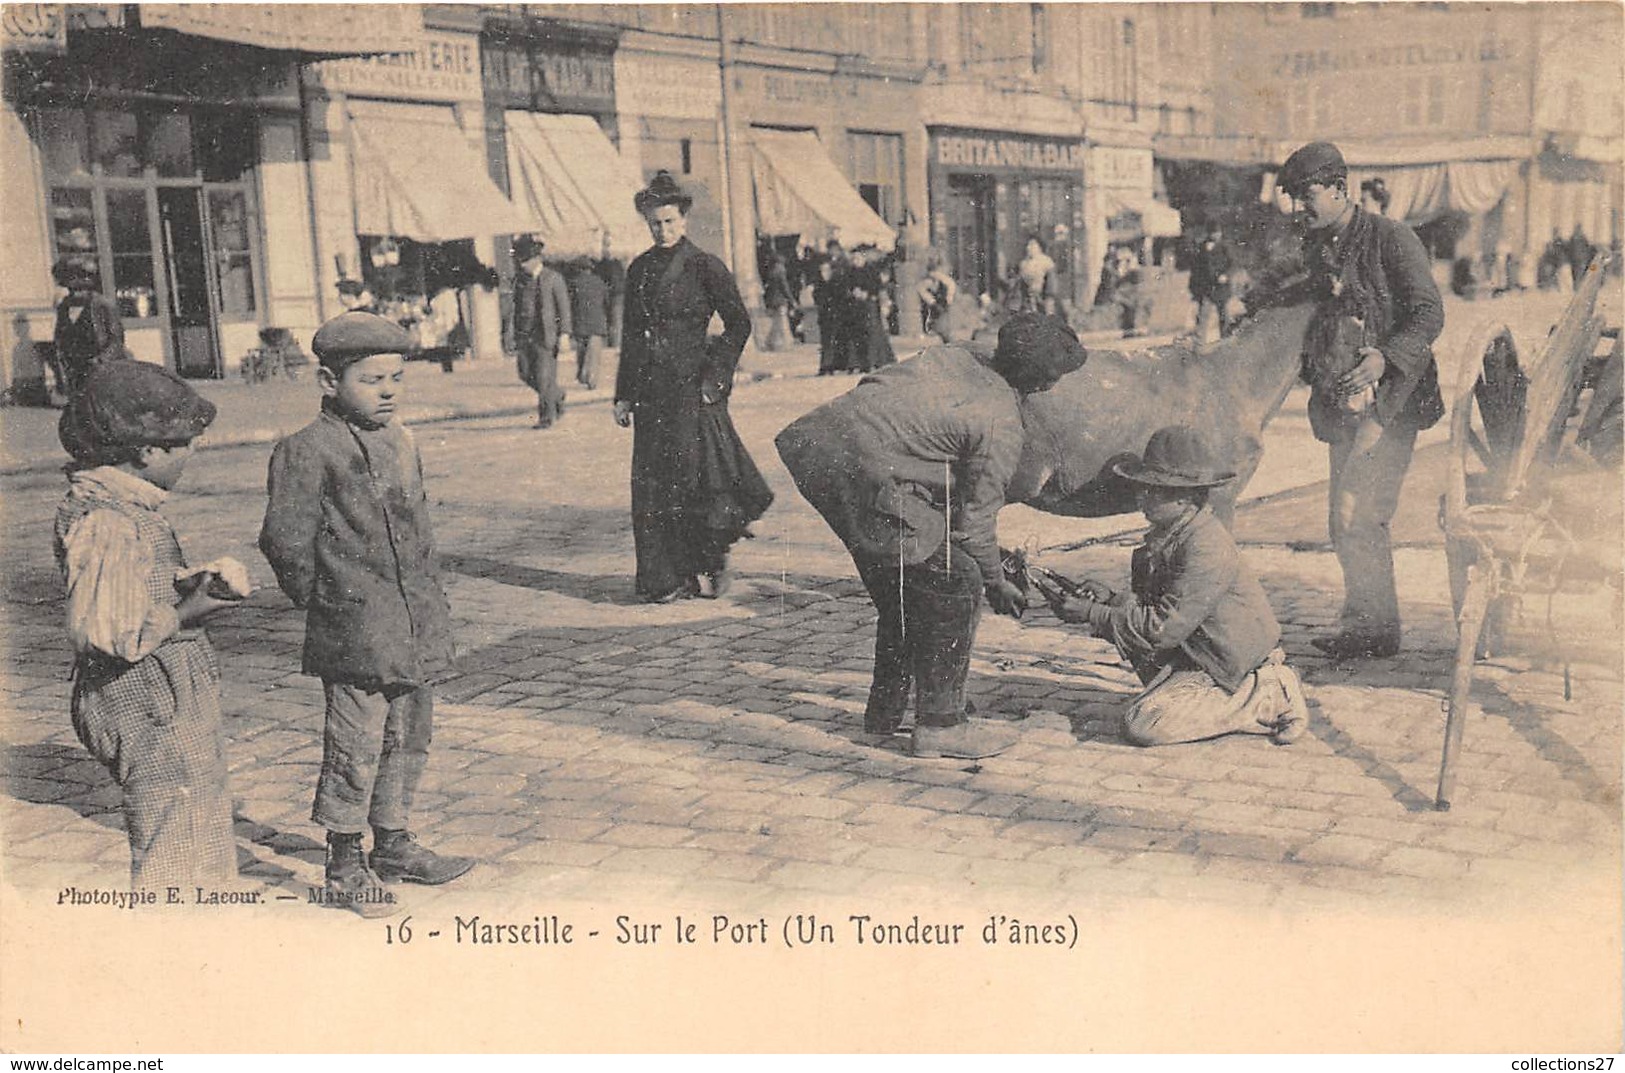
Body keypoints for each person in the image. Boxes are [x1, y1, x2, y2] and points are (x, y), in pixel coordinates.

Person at [776, 313, 1087, 760]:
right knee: (956, 581)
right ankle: (941, 725)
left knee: (904, 585)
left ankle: (888, 711)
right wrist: (996, 581)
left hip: (817, 443)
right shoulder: (999, 422)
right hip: (865, 473)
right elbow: (975, 524)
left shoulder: (956, 354)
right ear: (1041, 383)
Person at [259, 312, 472, 918]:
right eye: (372, 379)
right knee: (354, 742)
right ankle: (344, 860)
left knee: (409, 734)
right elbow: (284, 541)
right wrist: (326, 603)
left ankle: (395, 841)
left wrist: (429, 605)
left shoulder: (403, 441)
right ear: (329, 381)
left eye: (396, 379)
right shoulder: (305, 450)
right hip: (354, 628)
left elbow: (420, 530)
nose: (388, 392)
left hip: (412, 623)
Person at [53, 360, 245, 888]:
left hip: (164, 697)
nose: (191, 453)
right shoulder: (108, 519)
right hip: (143, 702)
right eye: (183, 443)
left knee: (196, 820)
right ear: (146, 451)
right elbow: (111, 631)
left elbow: (130, 585)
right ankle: (171, 949)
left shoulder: (124, 506)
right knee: (173, 843)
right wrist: (190, 610)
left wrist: (186, 580)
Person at [1278, 140, 1444, 660]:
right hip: (1343, 401)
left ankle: (1374, 629)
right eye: (1293, 198)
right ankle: (1369, 624)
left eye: (1307, 195)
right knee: (1343, 519)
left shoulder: (1391, 237)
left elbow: (1429, 313)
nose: (1298, 208)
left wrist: (1385, 358)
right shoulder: (1316, 246)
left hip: (1392, 399)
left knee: (1359, 514)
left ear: (1339, 189)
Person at [1041, 425, 1309, 746]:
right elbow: (1159, 609)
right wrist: (1109, 599)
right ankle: (1229, 696)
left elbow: (1162, 629)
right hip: (1200, 655)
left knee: (1144, 724)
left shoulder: (1206, 546)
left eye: (1154, 490)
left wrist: (1093, 614)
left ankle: (1265, 695)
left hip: (1228, 665)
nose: (1141, 496)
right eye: (1143, 487)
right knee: (1146, 687)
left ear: (1186, 499)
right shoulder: (1173, 535)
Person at [614, 171, 772, 604]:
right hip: (650, 393)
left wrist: (715, 379)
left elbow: (739, 324)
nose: (661, 230)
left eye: (668, 222)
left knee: (694, 482)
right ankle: (667, 578)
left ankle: (713, 559)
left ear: (683, 220)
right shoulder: (639, 269)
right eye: (654, 223)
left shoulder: (705, 265)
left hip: (690, 391)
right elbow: (630, 336)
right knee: (652, 485)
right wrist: (623, 394)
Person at [511, 235, 572, 429]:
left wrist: (564, 334)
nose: (522, 265)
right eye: (520, 261)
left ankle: (546, 417)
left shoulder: (553, 278)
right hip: (525, 336)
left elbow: (564, 308)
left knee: (544, 377)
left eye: (525, 260)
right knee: (525, 373)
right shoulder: (520, 281)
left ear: (537, 259)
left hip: (547, 336)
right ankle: (557, 395)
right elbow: (516, 308)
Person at [52, 260, 126, 398]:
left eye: (81, 288)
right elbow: (60, 336)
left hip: (103, 368)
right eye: (72, 288)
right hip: (75, 369)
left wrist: (101, 360)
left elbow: (116, 340)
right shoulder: (64, 306)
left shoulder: (104, 305)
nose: (76, 293)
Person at [566, 257, 610, 391]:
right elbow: (606, 301)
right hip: (597, 322)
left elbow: (569, 303)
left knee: (582, 350)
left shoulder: (573, 283)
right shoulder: (599, 282)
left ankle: (582, 374)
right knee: (595, 351)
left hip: (580, 322)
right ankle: (592, 378)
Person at [1188, 228, 1234, 341]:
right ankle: (1200, 339)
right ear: (1208, 233)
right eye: (1213, 232)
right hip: (1205, 285)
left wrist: (1225, 275)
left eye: (1218, 233)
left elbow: (1231, 264)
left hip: (1220, 284)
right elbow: (1196, 267)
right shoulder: (1201, 247)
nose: (1216, 235)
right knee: (1203, 312)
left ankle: (1225, 337)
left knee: (1222, 312)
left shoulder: (1224, 247)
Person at [1016, 236, 1057, 314]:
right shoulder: (1024, 264)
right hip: (1028, 300)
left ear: (1039, 247)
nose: (1029, 248)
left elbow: (1051, 284)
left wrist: (1048, 299)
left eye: (1032, 245)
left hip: (1044, 298)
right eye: (1028, 245)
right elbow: (1021, 285)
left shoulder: (1047, 262)